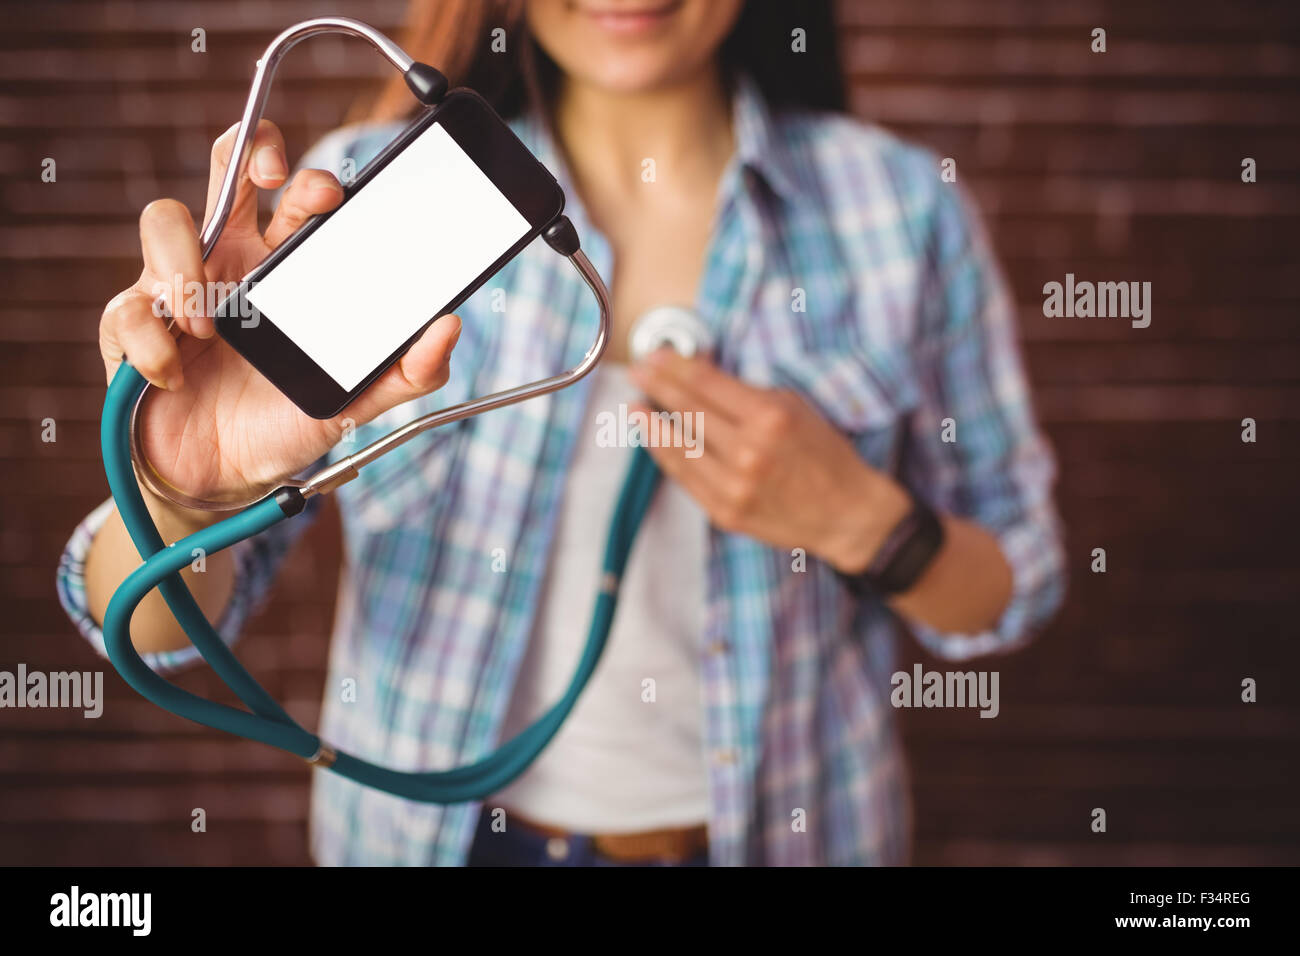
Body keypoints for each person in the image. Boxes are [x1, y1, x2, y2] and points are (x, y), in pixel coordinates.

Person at [57, 0, 1066, 866]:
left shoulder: (895, 208)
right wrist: (184, 484)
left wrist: (861, 520)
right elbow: (149, 631)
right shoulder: (359, 197)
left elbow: (1011, 582)